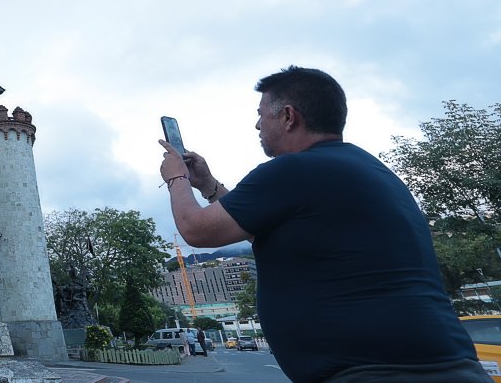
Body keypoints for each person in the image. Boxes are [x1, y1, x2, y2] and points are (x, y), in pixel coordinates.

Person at [158, 66, 489, 383]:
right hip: (440, 365)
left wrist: (177, 175)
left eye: (261, 114)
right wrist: (209, 186)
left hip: (376, 373)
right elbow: (259, 221)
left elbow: (197, 229)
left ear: (289, 117)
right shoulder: (366, 169)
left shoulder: (295, 170)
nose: (257, 125)